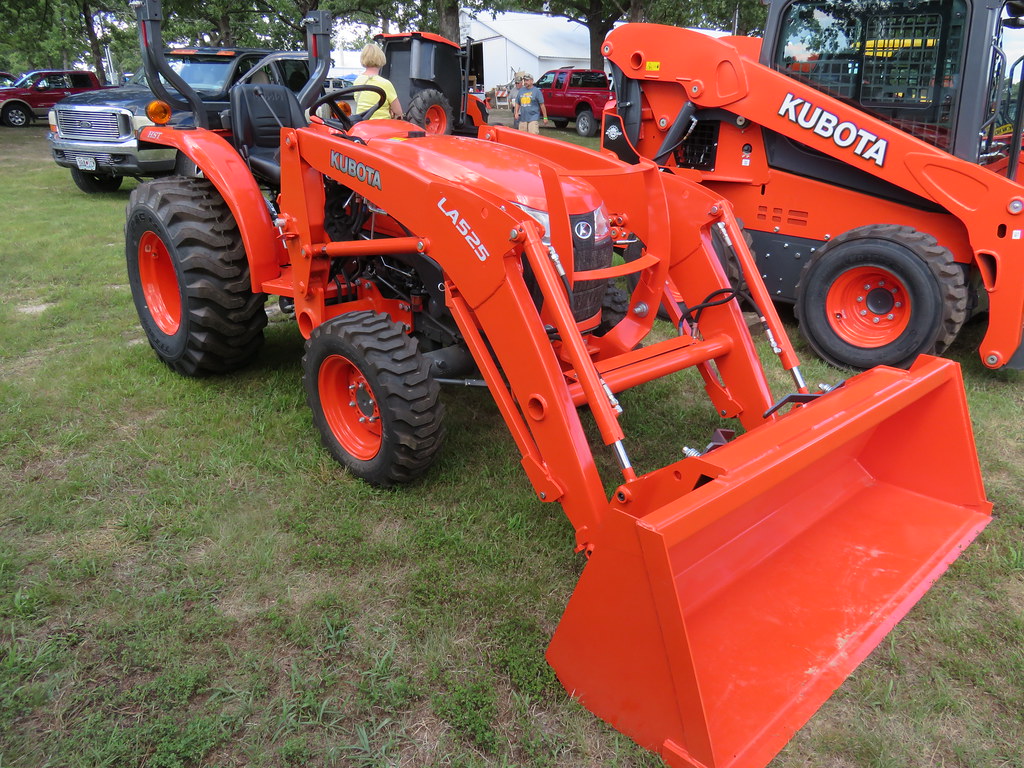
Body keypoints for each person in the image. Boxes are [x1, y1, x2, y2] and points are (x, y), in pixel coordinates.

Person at [353, 43, 402, 119]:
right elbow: (398, 112)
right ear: (381, 58)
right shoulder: (385, 84)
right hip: (381, 127)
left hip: (362, 126)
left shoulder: (357, 81)